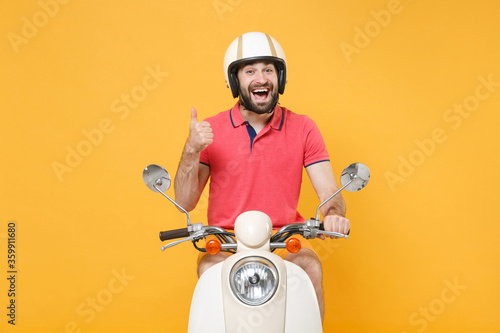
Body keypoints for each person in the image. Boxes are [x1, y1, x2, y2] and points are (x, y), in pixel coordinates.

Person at [173, 32, 349, 321]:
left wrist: (334, 215)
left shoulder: (304, 128)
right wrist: (191, 149)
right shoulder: (211, 130)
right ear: (235, 81)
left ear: (279, 77)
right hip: (227, 242)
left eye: (268, 69)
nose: (261, 78)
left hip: (284, 239)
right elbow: (184, 201)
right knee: (209, 270)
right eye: (250, 70)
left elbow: (330, 191)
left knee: (310, 266)